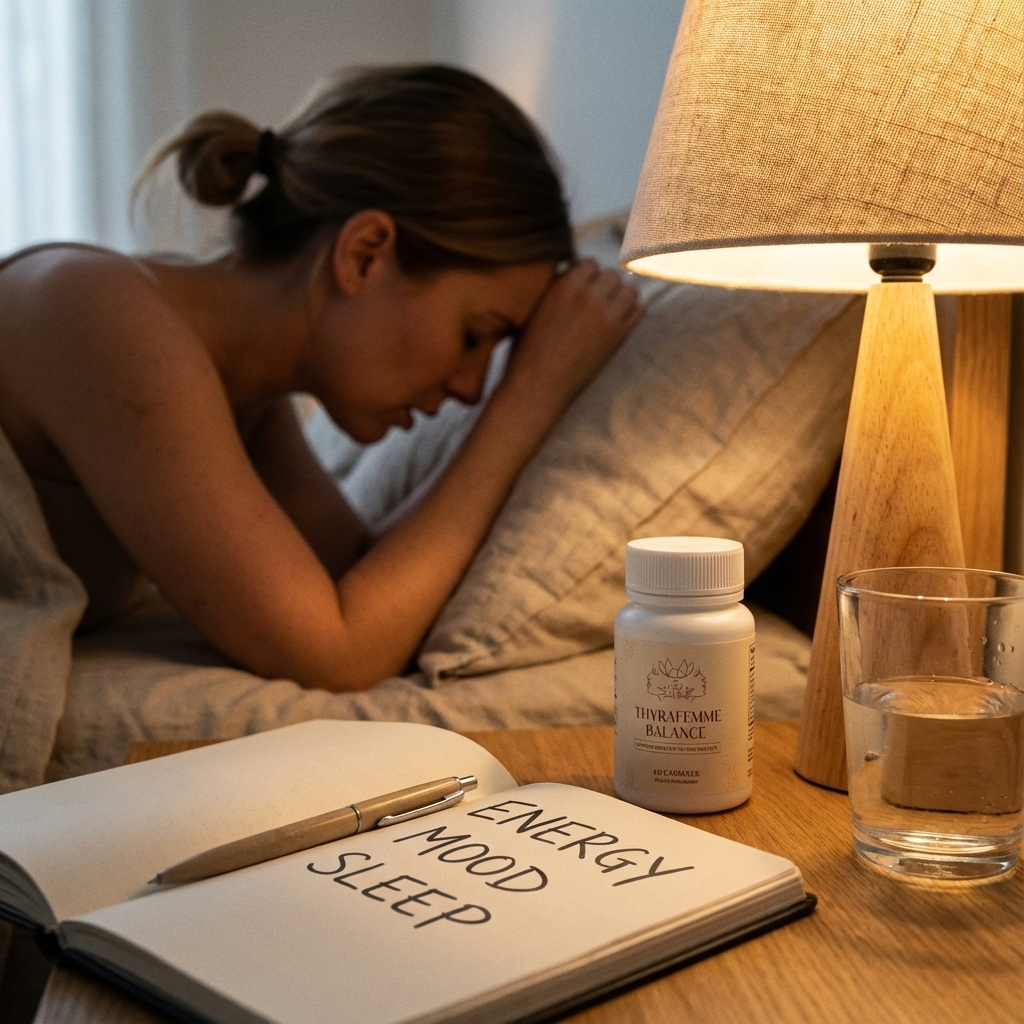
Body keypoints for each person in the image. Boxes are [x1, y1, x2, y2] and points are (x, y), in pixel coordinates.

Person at [0, 64, 640, 692]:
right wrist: (528, 398)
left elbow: (362, 581)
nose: (471, 388)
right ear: (365, 254)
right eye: (474, 335)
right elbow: (337, 651)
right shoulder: (102, 316)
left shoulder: (241, 391)